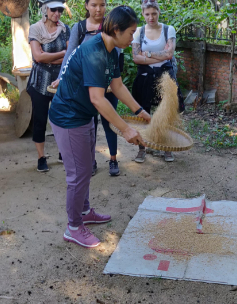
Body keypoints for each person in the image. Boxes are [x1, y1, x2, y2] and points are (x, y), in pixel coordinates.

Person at [49, 6, 150, 248]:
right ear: (116, 29)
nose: (133, 37)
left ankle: (84, 212)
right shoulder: (94, 50)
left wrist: (140, 111)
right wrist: (126, 130)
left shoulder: (112, 49)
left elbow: (117, 86)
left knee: (84, 168)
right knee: (79, 174)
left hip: (83, 115)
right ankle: (73, 227)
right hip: (68, 117)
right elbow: (97, 98)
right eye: (131, 32)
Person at [51, 0, 122, 176]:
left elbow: (117, 54)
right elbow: (70, 54)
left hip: (107, 84)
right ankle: (91, 161)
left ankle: (113, 159)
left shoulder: (112, 25)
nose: (98, 9)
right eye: (94, 5)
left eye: (102, 5)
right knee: (89, 123)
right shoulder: (79, 27)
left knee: (110, 122)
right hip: (86, 86)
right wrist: (61, 77)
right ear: (86, 6)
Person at [131, 0, 181, 163]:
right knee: (143, 112)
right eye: (147, 14)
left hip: (165, 78)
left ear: (159, 13)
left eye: (154, 13)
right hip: (145, 77)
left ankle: (165, 147)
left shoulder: (168, 30)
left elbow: (169, 54)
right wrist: (158, 55)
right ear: (143, 14)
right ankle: (142, 148)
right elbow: (136, 58)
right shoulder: (138, 31)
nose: (150, 17)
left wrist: (148, 55)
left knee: (165, 112)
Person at [26, 0, 70, 172]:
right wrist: (62, 54)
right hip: (40, 82)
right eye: (53, 10)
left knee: (62, 118)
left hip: (60, 80)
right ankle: (41, 157)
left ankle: (62, 152)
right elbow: (37, 57)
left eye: (60, 10)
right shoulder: (36, 29)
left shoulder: (65, 29)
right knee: (40, 119)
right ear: (46, 9)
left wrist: (49, 55)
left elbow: (70, 55)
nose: (57, 13)